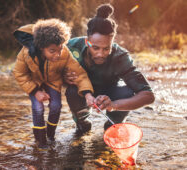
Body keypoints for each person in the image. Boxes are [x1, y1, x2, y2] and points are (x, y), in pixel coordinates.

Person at [64, 3, 155, 132]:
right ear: (87, 41)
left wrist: (114, 105)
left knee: (127, 93)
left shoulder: (121, 57)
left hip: (111, 92)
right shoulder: (70, 47)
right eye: (95, 48)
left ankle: (112, 126)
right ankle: (82, 122)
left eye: (106, 48)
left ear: (112, 42)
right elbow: (47, 69)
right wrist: (63, 77)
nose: (100, 54)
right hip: (81, 92)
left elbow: (148, 96)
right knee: (72, 91)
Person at [13, 19, 94, 149]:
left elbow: (80, 74)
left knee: (56, 106)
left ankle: (50, 136)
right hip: (34, 83)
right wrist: (35, 92)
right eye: (52, 51)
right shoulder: (26, 53)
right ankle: (41, 141)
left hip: (53, 81)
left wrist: (88, 94)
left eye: (60, 49)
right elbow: (19, 73)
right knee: (38, 108)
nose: (57, 54)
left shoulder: (65, 53)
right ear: (41, 47)